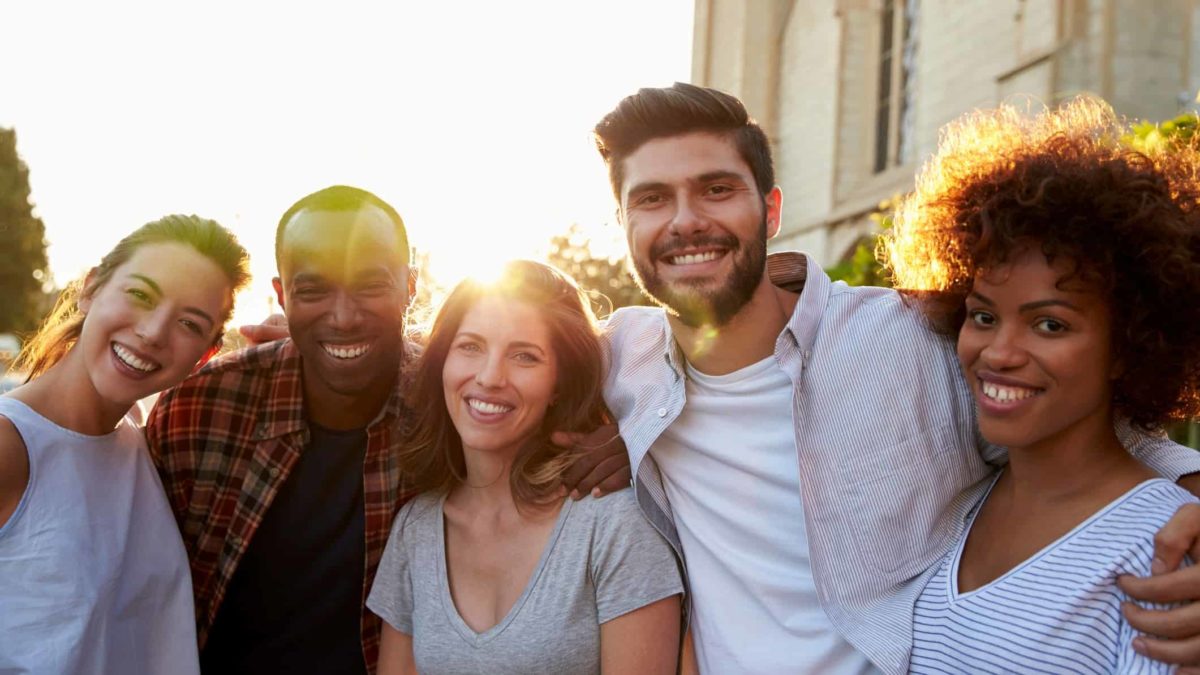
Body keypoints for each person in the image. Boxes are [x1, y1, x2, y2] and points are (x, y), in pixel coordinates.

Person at [591, 82, 1200, 673]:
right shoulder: (623, 360)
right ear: (622, 223)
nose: (686, 221)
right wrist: (586, 438)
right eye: (651, 199)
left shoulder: (912, 338)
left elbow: (1103, 433)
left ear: (770, 210)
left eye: (717, 189)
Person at [149, 186, 631, 673]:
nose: (343, 317)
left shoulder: (455, 410)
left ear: (411, 286)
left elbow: (549, 396)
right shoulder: (202, 407)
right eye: (313, 290)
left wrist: (621, 439)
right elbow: (136, 586)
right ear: (282, 294)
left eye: (370, 286)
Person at [879, 98, 1200, 673]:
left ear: (1129, 347)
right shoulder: (955, 502)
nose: (998, 353)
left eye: (1050, 324)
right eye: (982, 316)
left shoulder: (1166, 550)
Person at [367, 260, 683, 674]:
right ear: (442, 362)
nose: (490, 377)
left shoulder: (613, 524)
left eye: (525, 356)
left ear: (559, 384)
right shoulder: (416, 530)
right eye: (470, 347)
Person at [0, 215, 250, 674]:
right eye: (140, 294)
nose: (153, 332)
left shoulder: (142, 438)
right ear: (91, 288)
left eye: (190, 324)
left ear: (208, 354)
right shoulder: (10, 446)